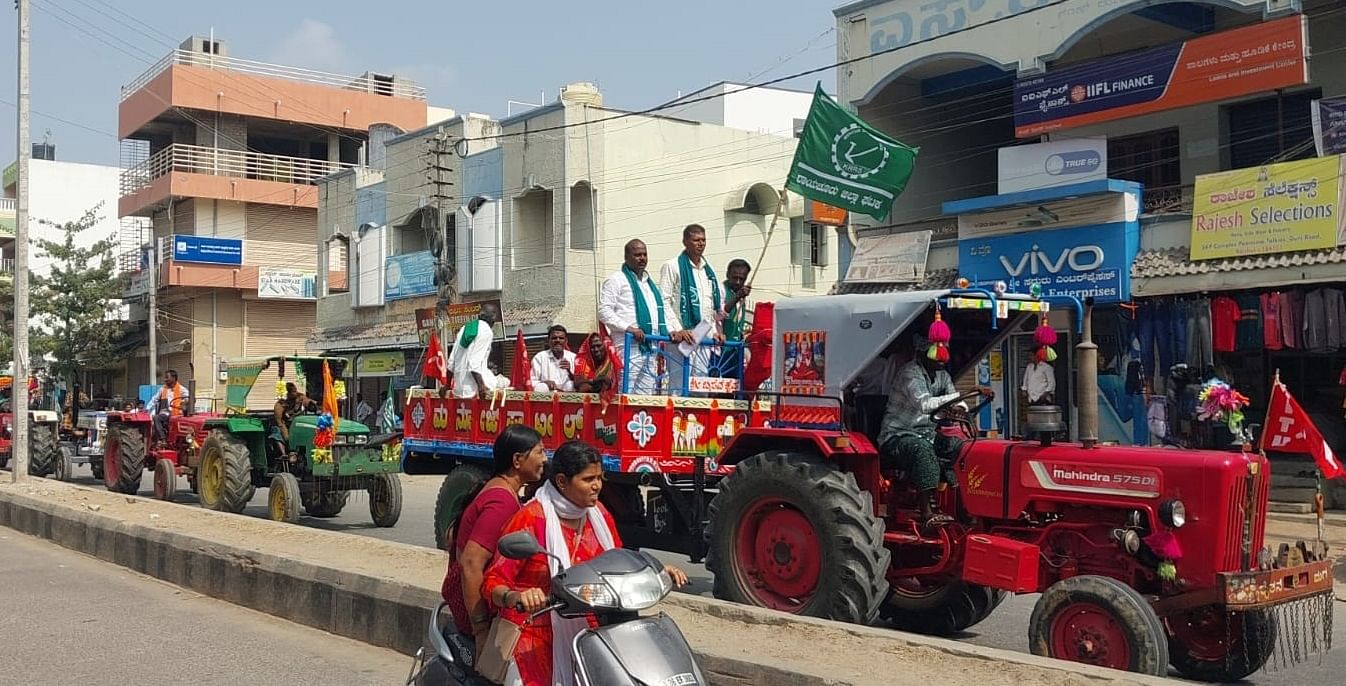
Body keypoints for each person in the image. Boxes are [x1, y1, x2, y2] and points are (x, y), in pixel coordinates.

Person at [485, 441, 688, 685]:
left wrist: (657, 570)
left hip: (594, 630)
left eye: (600, 478)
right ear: (562, 481)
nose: (597, 486)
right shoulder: (531, 518)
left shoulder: (599, 514)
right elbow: (493, 582)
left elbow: (618, 561)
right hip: (535, 637)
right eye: (588, 479)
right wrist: (517, 597)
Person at [440, 425, 548, 662]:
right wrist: (480, 629)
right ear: (518, 460)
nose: (544, 459)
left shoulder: (499, 489)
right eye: (539, 452)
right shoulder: (501, 501)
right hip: (477, 609)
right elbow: (470, 563)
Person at [877, 334, 992, 527]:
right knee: (921, 450)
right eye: (935, 353)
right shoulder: (909, 374)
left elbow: (957, 401)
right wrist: (960, 395)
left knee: (959, 446)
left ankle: (964, 506)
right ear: (921, 353)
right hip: (898, 436)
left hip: (928, 434)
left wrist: (961, 408)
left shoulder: (943, 376)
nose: (941, 359)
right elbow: (925, 403)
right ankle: (926, 512)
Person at [598, 239, 668, 395]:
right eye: (637, 255)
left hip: (650, 344)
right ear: (626, 257)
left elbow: (659, 313)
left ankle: (638, 420)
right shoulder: (616, 280)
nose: (642, 258)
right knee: (626, 389)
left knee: (646, 394)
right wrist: (629, 328)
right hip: (629, 343)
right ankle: (621, 419)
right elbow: (603, 311)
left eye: (644, 254)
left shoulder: (649, 284)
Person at [659, 224, 721, 390]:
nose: (701, 244)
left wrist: (715, 332)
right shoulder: (672, 266)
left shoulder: (708, 271)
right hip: (681, 337)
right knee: (679, 387)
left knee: (700, 387)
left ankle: (697, 417)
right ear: (685, 242)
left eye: (703, 240)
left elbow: (709, 307)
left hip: (703, 337)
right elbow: (663, 301)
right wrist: (679, 329)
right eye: (696, 240)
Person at [449, 303, 508, 401]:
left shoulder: (465, 328)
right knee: (505, 382)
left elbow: (451, 361)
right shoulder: (486, 331)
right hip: (473, 388)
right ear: (493, 318)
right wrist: (481, 386)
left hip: (458, 389)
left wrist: (446, 386)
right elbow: (474, 363)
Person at [713, 259, 752, 379]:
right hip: (720, 350)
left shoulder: (741, 296)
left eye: (742, 279)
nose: (738, 282)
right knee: (718, 388)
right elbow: (718, 314)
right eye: (735, 278)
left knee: (734, 388)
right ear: (727, 275)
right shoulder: (721, 290)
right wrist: (736, 297)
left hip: (735, 352)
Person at [530, 325, 577, 393]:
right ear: (548, 340)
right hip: (547, 398)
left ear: (566, 341)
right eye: (554, 338)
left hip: (568, 399)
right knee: (541, 387)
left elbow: (580, 383)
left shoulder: (573, 357)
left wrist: (569, 371)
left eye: (561, 338)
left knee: (570, 385)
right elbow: (531, 381)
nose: (557, 340)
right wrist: (545, 383)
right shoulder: (540, 357)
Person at [148, 370, 189, 443]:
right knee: (156, 417)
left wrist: (184, 402)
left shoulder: (182, 389)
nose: (165, 379)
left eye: (167, 377)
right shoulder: (162, 389)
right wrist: (147, 409)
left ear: (174, 378)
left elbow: (189, 399)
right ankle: (162, 439)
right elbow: (154, 400)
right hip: (165, 414)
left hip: (178, 415)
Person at [272, 382, 308, 451]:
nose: (295, 393)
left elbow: (306, 401)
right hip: (284, 425)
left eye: (295, 391)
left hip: (297, 424)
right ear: (288, 393)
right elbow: (279, 421)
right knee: (277, 434)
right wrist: (286, 436)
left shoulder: (300, 397)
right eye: (293, 392)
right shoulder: (281, 404)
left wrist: (311, 404)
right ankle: (283, 454)